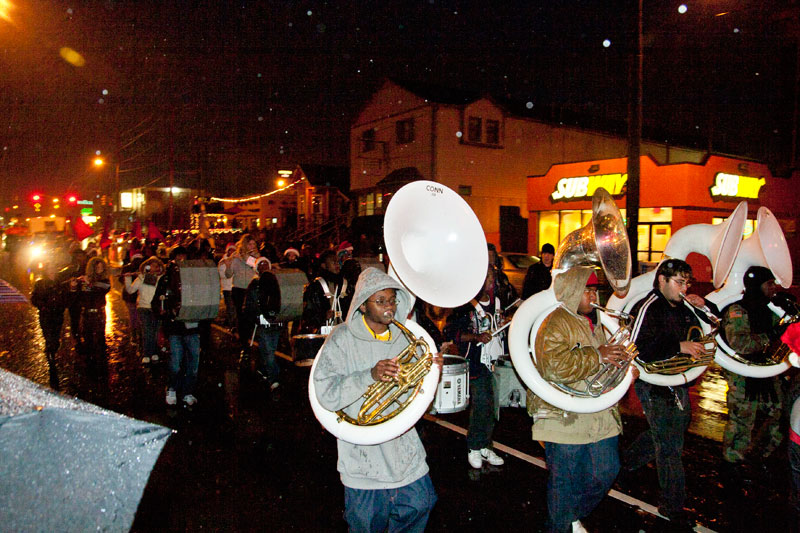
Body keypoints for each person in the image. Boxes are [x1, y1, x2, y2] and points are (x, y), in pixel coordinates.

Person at [313, 267, 439, 532]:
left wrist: (430, 372)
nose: (389, 307)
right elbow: (326, 392)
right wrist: (369, 376)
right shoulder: (341, 339)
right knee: (366, 525)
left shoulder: (407, 339)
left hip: (405, 454)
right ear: (362, 305)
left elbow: (416, 396)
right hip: (362, 462)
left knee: (421, 504)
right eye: (380, 301)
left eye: (392, 300)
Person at [528, 267, 627, 533]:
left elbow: (605, 361)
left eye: (596, 290)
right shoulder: (555, 322)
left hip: (597, 413)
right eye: (588, 290)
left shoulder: (596, 321)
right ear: (573, 291)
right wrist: (598, 355)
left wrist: (624, 369)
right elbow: (552, 367)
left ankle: (570, 515)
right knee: (564, 483)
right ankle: (563, 522)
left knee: (606, 471)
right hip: (564, 416)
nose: (594, 296)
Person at [623, 259, 713, 529]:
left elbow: (711, 324)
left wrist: (704, 307)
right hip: (654, 382)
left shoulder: (684, 306)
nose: (685, 288)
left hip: (677, 379)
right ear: (662, 280)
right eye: (680, 283)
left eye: (688, 283)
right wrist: (678, 345)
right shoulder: (648, 306)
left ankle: (626, 463)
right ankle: (672, 506)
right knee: (670, 443)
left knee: (672, 429)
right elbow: (636, 346)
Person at [720, 266, 785, 465]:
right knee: (742, 420)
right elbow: (740, 344)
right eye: (769, 284)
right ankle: (733, 461)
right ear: (758, 285)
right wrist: (771, 335)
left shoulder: (768, 309)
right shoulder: (738, 310)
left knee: (776, 413)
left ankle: (763, 455)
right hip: (743, 375)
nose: (774, 287)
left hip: (765, 372)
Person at [444, 265, 506, 469]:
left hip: (493, 362)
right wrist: (476, 337)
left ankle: (486, 445)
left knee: (492, 407)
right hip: (474, 363)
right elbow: (451, 333)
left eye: (491, 276)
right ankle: (474, 447)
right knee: (480, 405)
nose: (490, 280)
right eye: (486, 276)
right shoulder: (466, 305)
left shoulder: (496, 302)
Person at [153, 246, 201, 407]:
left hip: (192, 327)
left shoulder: (195, 280)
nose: (181, 263)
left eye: (184, 259)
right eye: (178, 260)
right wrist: (164, 309)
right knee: (176, 362)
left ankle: (188, 392)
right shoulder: (165, 280)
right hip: (174, 327)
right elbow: (156, 303)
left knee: (193, 363)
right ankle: (172, 388)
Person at [243, 256, 282, 397]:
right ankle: (274, 382)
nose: (264, 266)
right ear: (257, 269)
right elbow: (248, 306)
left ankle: (264, 369)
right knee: (270, 354)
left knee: (269, 351)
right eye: (261, 264)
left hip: (276, 324)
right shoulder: (254, 284)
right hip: (263, 325)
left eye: (266, 263)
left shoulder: (277, 282)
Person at [223, 234, 260, 355]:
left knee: (251, 316)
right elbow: (229, 275)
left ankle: (249, 338)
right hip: (238, 289)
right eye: (250, 244)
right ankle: (244, 343)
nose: (252, 246)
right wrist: (228, 266)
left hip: (251, 288)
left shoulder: (257, 257)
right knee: (241, 316)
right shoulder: (236, 256)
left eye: (254, 244)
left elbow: (257, 268)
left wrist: (251, 258)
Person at [126, 256, 165, 364]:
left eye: (157, 266)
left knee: (155, 331)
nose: (154, 268)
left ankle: (154, 352)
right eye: (152, 265)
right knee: (148, 331)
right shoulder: (141, 278)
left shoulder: (161, 279)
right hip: (143, 307)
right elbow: (130, 290)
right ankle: (147, 353)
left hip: (156, 308)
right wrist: (128, 279)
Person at [300, 250, 343, 334]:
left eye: (338, 261)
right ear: (324, 265)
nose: (337, 264)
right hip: (324, 333)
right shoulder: (315, 287)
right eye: (333, 262)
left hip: (343, 332)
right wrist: (323, 316)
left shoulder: (344, 284)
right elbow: (308, 314)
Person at [31, 261, 68, 360]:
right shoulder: (40, 284)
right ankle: (50, 349)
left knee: (56, 335)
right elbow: (34, 299)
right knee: (48, 335)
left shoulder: (61, 283)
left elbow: (66, 297)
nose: (51, 271)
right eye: (49, 269)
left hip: (58, 313)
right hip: (46, 314)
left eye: (53, 268)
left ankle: (53, 347)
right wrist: (43, 306)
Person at [79, 257, 111, 357]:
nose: (100, 270)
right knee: (87, 337)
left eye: (102, 267)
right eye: (97, 268)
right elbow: (84, 295)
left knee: (100, 336)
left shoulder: (105, 281)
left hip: (99, 312)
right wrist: (76, 286)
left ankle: (101, 358)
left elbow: (101, 291)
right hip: (87, 312)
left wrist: (90, 283)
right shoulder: (86, 280)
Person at [119, 248, 145, 346]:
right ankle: (135, 334)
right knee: (134, 316)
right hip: (131, 296)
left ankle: (137, 334)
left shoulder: (143, 269)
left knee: (134, 316)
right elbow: (122, 280)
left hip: (136, 296)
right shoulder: (128, 269)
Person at [487, 243, 518, 309]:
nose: (491, 259)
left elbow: (508, 293)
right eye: (488, 255)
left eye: (493, 255)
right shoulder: (481, 277)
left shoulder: (501, 276)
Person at [218, 243, 237, 330]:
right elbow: (223, 275)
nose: (232, 252)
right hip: (227, 288)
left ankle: (234, 323)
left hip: (235, 287)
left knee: (235, 307)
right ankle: (231, 324)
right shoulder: (223, 262)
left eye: (234, 250)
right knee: (230, 307)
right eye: (231, 250)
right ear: (228, 251)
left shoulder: (236, 261)